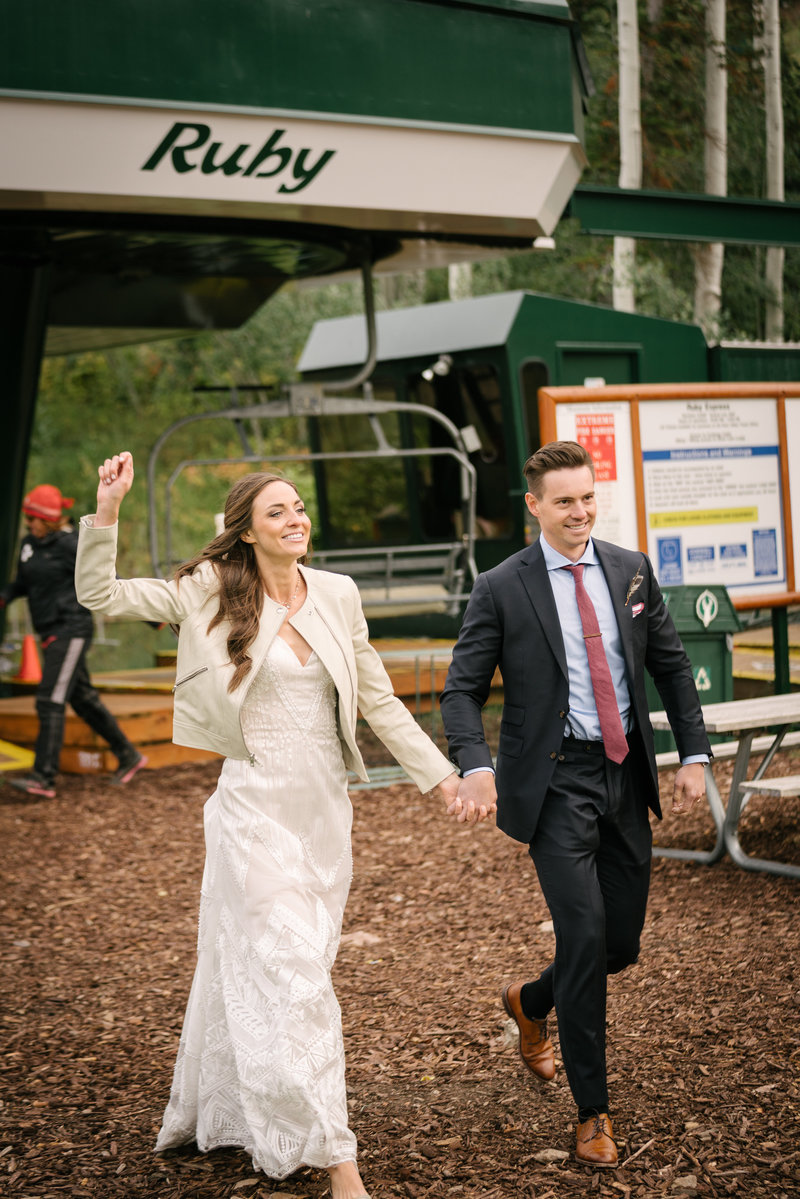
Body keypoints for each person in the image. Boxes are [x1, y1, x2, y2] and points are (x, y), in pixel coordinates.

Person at [75, 452, 466, 1199]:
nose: (296, 520)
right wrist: (109, 508)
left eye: (298, 507)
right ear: (248, 534)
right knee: (294, 980)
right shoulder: (210, 589)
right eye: (277, 512)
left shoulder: (339, 593)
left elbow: (378, 699)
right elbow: (99, 593)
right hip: (250, 807)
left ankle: (221, 1103)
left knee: (287, 970)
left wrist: (440, 775)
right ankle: (337, 1159)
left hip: (323, 813)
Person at [439, 440, 710, 1168]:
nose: (580, 511)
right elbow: (460, 689)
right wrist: (476, 764)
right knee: (584, 935)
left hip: (626, 776)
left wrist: (694, 753)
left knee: (618, 944)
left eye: (587, 497)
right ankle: (593, 1111)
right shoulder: (502, 585)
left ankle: (530, 1001)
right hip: (555, 784)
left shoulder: (630, 569)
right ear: (534, 506)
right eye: (564, 500)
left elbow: (672, 665)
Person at [1, 483, 146, 799]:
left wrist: (151, 614)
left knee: (50, 699)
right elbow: (22, 583)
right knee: (82, 700)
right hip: (49, 631)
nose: (31, 525)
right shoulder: (30, 546)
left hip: (71, 629)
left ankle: (43, 778)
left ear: (51, 520)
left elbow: (105, 577)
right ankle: (129, 755)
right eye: (28, 519)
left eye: (37, 519)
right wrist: (5, 597)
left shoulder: (70, 545)